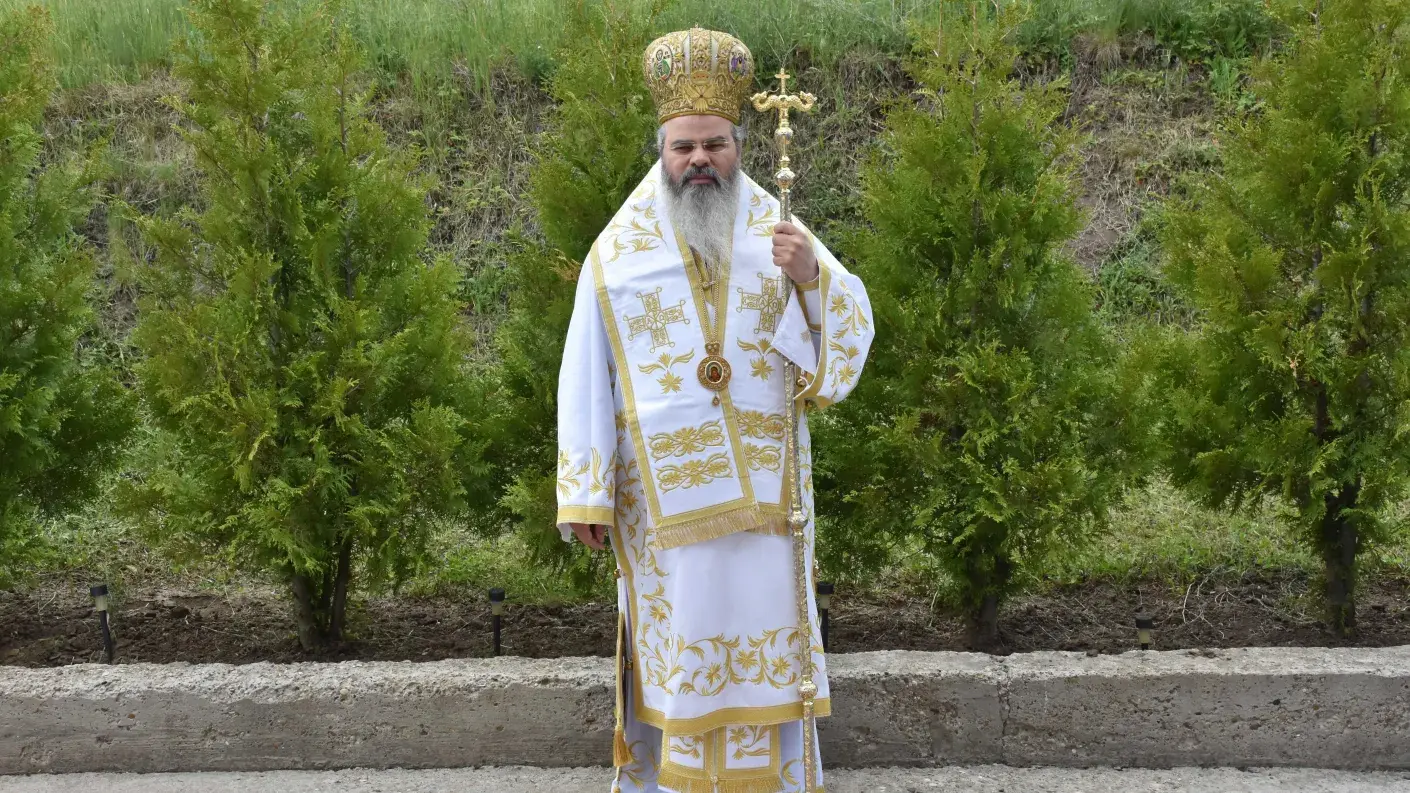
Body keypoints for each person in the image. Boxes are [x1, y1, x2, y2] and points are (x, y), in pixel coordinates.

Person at [555, 27, 874, 793]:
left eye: (715, 145)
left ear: (738, 146)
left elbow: (849, 330)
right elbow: (584, 368)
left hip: (766, 501)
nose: (700, 159)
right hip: (664, 508)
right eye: (685, 147)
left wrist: (811, 280)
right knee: (683, 648)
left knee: (764, 640)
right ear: (663, 151)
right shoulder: (617, 252)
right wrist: (586, 492)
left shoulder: (778, 229)